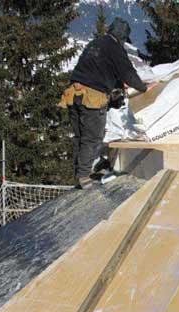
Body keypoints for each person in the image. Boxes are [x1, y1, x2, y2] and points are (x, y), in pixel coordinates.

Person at [59, 18, 154, 189]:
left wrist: (116, 88)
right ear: (122, 37)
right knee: (93, 137)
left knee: (80, 136)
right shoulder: (115, 48)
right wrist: (144, 88)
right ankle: (84, 176)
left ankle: (80, 174)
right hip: (91, 97)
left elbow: (101, 71)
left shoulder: (96, 44)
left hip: (73, 93)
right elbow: (128, 74)